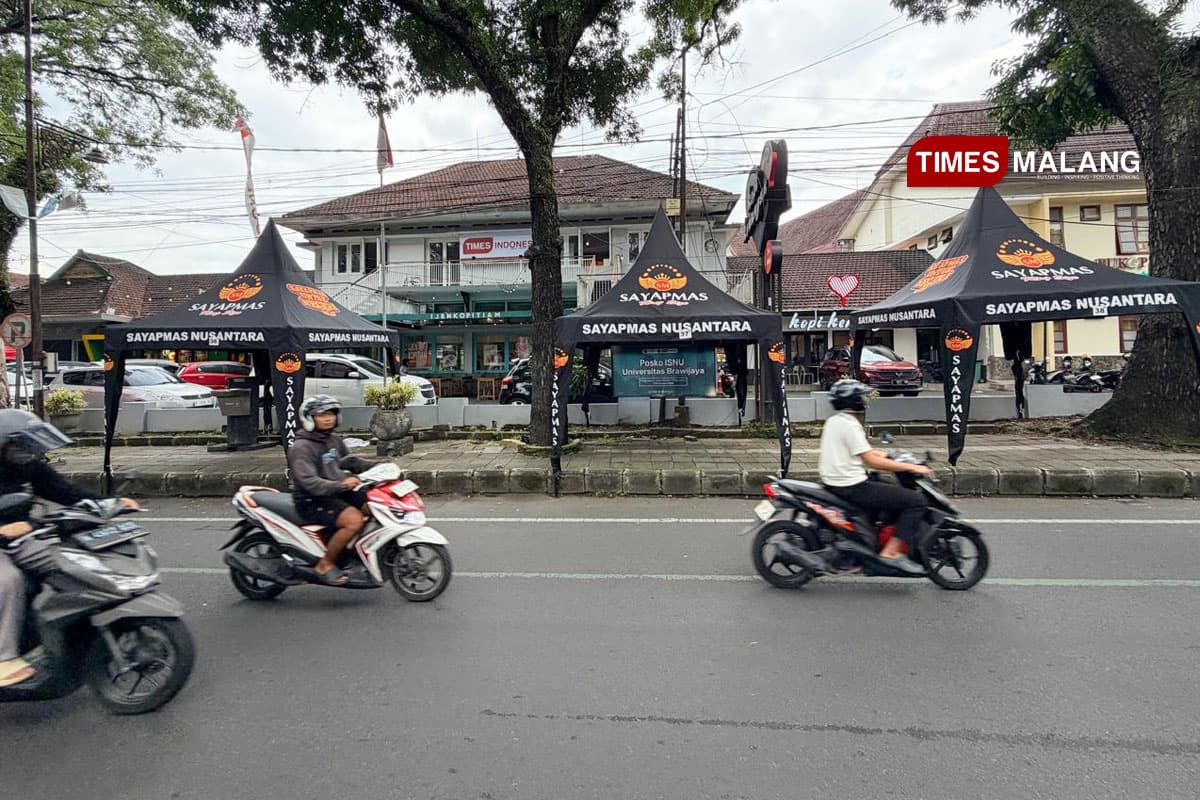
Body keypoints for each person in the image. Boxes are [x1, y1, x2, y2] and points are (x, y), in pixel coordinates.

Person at [0, 409, 138, 686]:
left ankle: (74, 630)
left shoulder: (28, 466)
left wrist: (110, 504)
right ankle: (4, 659)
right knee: (8, 580)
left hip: (22, 539)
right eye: (20, 446)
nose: (27, 451)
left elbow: (64, 492)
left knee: (69, 560)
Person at [817, 380, 932, 575]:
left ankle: (872, 539)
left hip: (836, 482)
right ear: (854, 400)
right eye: (861, 397)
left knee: (887, 488)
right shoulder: (850, 425)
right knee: (915, 501)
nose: (864, 400)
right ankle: (891, 552)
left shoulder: (835, 421)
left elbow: (861, 452)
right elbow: (871, 461)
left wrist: (885, 454)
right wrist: (910, 466)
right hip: (851, 485)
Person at [288, 395, 379, 585]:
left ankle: (353, 550)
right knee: (354, 520)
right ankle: (325, 563)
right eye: (321, 415)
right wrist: (342, 484)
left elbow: (351, 462)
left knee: (374, 505)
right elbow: (309, 482)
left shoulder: (333, 440)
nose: (328, 418)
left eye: (331, 414)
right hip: (311, 499)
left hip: (334, 491)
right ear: (310, 418)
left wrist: (382, 467)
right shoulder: (301, 447)